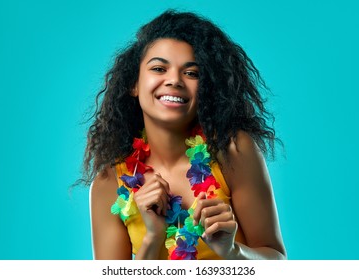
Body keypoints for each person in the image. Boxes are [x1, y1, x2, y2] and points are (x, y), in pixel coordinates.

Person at [81, 9, 286, 260]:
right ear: (134, 84)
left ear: (206, 87)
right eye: (158, 68)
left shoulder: (234, 150)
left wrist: (233, 252)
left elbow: (277, 262)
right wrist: (152, 238)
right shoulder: (109, 182)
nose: (174, 80)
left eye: (191, 73)